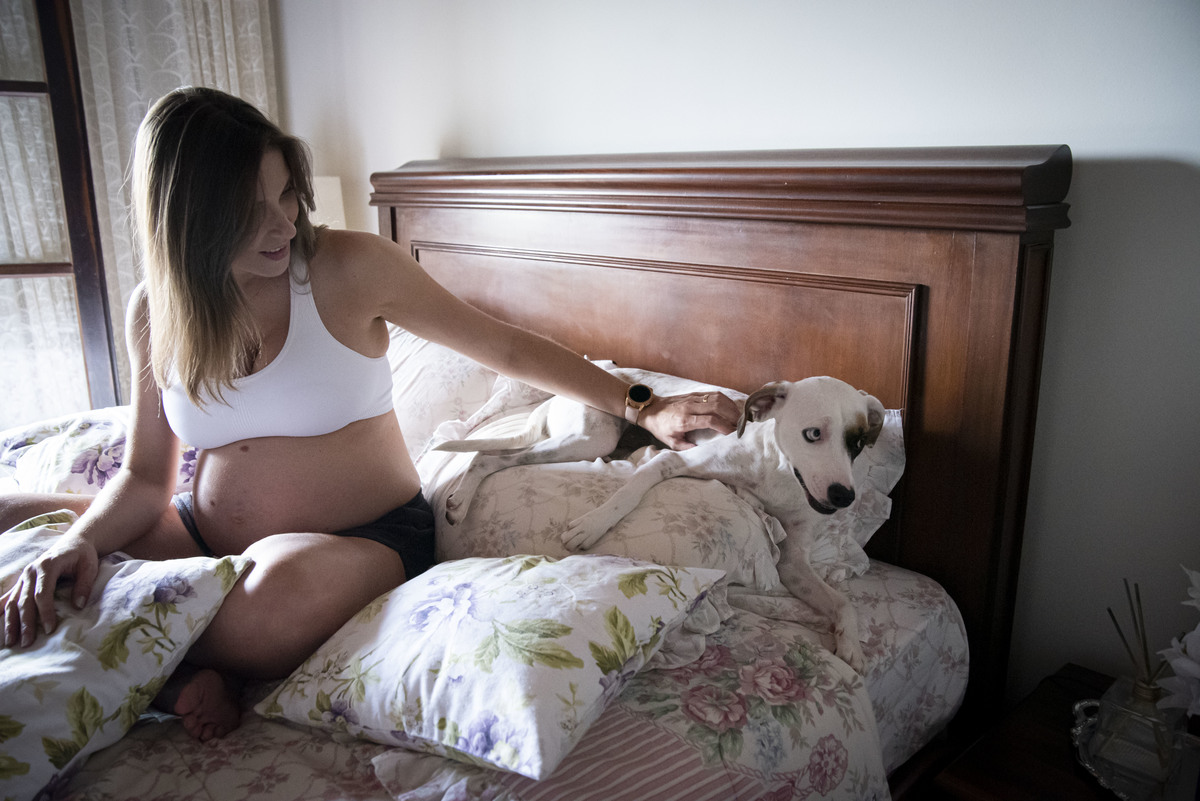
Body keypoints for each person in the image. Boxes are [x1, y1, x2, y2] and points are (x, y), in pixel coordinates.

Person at [0, 87, 741, 741]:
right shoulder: (154, 312)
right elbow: (143, 479)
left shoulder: (347, 269)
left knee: (264, 611)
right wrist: (76, 542)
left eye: (286, 195)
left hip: (357, 540)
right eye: (251, 212)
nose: (283, 225)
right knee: (18, 528)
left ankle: (159, 660)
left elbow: (505, 347)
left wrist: (646, 404)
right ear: (188, 222)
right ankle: (170, 656)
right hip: (201, 532)